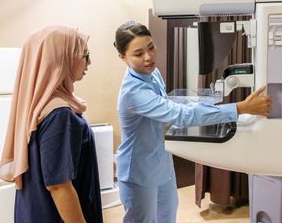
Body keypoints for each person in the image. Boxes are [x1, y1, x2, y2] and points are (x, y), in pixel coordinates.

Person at [114, 21, 272, 223]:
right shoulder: (133, 93)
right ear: (122, 57)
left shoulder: (152, 73)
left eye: (151, 47)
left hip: (162, 162)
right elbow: (179, 115)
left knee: (168, 216)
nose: (148, 57)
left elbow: (165, 105)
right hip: (138, 171)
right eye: (138, 54)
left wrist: (202, 99)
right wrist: (241, 108)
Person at [0, 25, 103, 223]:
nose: (89, 62)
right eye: (84, 55)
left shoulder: (36, 106)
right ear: (61, 58)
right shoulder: (59, 114)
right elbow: (58, 185)